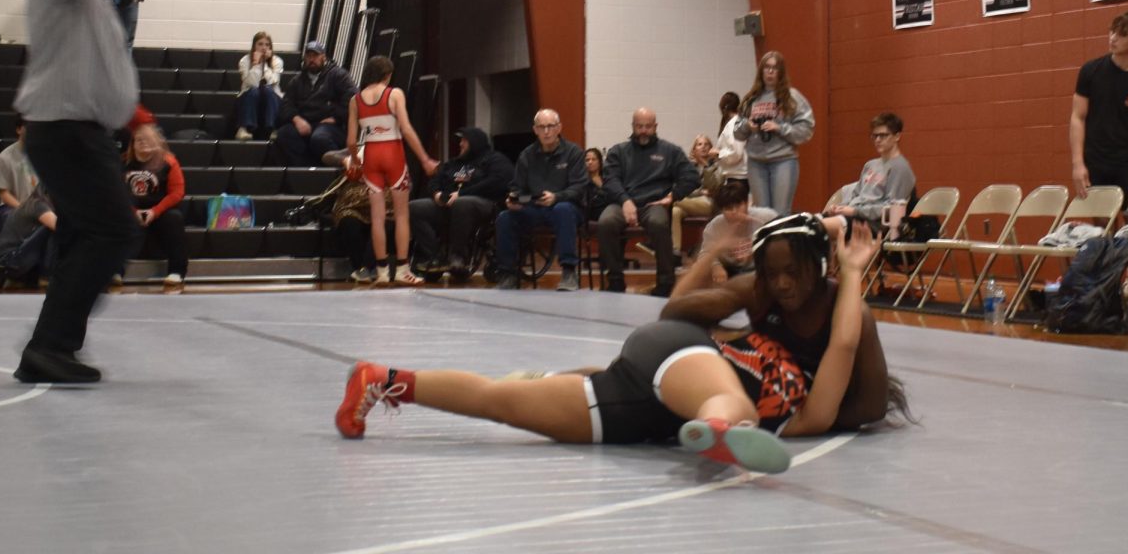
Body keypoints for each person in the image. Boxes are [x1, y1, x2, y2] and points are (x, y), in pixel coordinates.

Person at [334, 215, 911, 475]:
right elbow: (839, 344)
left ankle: (383, 378)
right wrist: (852, 266)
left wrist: (852, 271)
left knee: (500, 403)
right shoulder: (787, 386)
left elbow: (842, 344)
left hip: (645, 395)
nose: (783, 287)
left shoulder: (811, 414)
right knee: (731, 404)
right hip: (686, 355)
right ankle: (720, 433)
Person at [11, 0, 140, 383]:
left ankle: (54, 348)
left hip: (78, 132)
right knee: (114, 232)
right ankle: (49, 347)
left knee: (84, 236)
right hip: (66, 130)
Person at [345, 55, 439, 286]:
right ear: (387, 75)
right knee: (401, 215)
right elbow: (406, 129)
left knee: (377, 218)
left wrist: (356, 161)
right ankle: (403, 269)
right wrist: (425, 159)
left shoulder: (355, 100)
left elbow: (350, 140)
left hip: (372, 156)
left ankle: (382, 270)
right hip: (393, 153)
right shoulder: (394, 94)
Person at [598, 108, 700, 297]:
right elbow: (610, 180)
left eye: (647, 126)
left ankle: (665, 281)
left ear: (655, 126)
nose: (643, 130)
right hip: (622, 202)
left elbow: (692, 177)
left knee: (658, 223)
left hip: (654, 204)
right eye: (639, 126)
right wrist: (625, 200)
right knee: (605, 222)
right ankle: (615, 279)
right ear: (632, 126)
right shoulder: (618, 151)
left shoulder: (670, 151)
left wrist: (673, 196)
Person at [495, 109, 588, 292]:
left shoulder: (573, 153)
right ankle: (508, 273)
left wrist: (557, 197)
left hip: (566, 207)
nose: (546, 131)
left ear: (559, 128)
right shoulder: (527, 155)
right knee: (505, 217)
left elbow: (579, 187)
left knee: (563, 209)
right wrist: (513, 198)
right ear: (535, 130)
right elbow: (517, 186)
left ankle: (569, 272)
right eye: (542, 127)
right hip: (534, 207)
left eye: (550, 126)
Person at [1070, 10, 1128, 218]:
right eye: (1112, 32)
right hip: (1096, 162)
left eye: (1122, 34)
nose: (1113, 38)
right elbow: (1077, 118)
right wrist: (1078, 164)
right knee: (1099, 233)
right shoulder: (1090, 71)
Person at [410, 127, 513, 282]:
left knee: (462, 203)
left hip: (483, 204)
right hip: (448, 205)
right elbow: (434, 181)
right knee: (413, 208)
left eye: (464, 140)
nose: (460, 144)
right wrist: (437, 194)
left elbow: (498, 181)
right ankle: (434, 256)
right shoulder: (454, 163)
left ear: (475, 142)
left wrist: (463, 193)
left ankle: (458, 256)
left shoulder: (494, 160)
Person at [733, 51, 815, 215]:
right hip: (756, 162)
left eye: (775, 68)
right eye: (767, 68)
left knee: (780, 212)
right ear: (761, 71)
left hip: (783, 161)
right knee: (761, 213)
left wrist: (780, 128)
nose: (770, 72)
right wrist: (748, 126)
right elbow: (737, 132)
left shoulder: (792, 97)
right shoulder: (751, 99)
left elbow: (806, 129)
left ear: (781, 72)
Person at [119, 123, 187, 288]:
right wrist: (133, 212)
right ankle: (115, 272)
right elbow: (116, 192)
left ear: (157, 142)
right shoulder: (122, 163)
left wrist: (154, 212)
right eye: (139, 140)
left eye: (148, 139)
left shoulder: (169, 162)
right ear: (133, 144)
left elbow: (177, 192)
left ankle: (176, 272)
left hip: (160, 211)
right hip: (131, 211)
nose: (143, 142)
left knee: (175, 218)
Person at [824, 112, 916, 225]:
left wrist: (855, 211)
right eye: (874, 136)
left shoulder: (900, 168)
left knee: (816, 230)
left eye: (883, 135)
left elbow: (891, 208)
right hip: (853, 214)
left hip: (872, 222)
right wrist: (839, 208)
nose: (877, 140)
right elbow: (857, 195)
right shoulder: (870, 165)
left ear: (897, 136)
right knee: (806, 224)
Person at [275, 41, 355, 167]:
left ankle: (339, 169)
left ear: (323, 57)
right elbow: (286, 104)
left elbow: (353, 97)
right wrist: (296, 119)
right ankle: (306, 171)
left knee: (319, 138)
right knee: (284, 134)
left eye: (315, 55)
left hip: (330, 126)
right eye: (309, 56)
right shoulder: (297, 81)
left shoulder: (338, 75)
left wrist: (336, 117)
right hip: (305, 123)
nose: (312, 59)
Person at [695, 181, 778, 285]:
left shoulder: (766, 217)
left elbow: (781, 241)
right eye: (729, 208)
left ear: (747, 203)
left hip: (759, 269)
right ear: (722, 210)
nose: (734, 212)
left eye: (738, 205)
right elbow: (704, 254)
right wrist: (716, 266)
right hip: (729, 270)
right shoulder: (715, 226)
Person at [667, 133, 721, 262]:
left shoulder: (717, 165)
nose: (703, 147)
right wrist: (701, 192)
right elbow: (681, 188)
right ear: (694, 149)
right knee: (675, 211)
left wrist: (706, 165)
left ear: (711, 148)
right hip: (689, 202)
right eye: (699, 144)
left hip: (710, 204)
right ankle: (675, 252)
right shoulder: (688, 167)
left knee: (672, 200)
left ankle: (654, 240)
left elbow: (714, 187)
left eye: (706, 144)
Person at [0, 117, 39, 235]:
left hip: (38, 207)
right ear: (19, 129)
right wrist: (23, 209)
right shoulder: (5, 157)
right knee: (11, 218)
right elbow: (4, 193)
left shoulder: (43, 155)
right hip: (11, 206)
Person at [235, 31, 284, 141]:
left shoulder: (277, 61)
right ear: (254, 46)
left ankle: (273, 128)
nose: (264, 48)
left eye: (267, 45)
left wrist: (265, 63)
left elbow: (273, 81)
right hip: (250, 95)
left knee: (268, 89)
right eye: (260, 44)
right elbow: (252, 82)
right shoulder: (245, 61)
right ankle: (244, 128)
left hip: (271, 95)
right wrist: (257, 64)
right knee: (254, 90)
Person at [712, 91, 747, 186]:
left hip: (738, 176)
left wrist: (718, 153)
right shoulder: (739, 122)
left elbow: (736, 153)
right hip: (738, 175)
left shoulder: (733, 125)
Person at [583, 147, 609, 221]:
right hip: (592, 213)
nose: (590, 162)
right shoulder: (582, 181)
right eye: (587, 160)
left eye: (594, 159)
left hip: (610, 210)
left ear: (600, 162)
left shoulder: (608, 178)